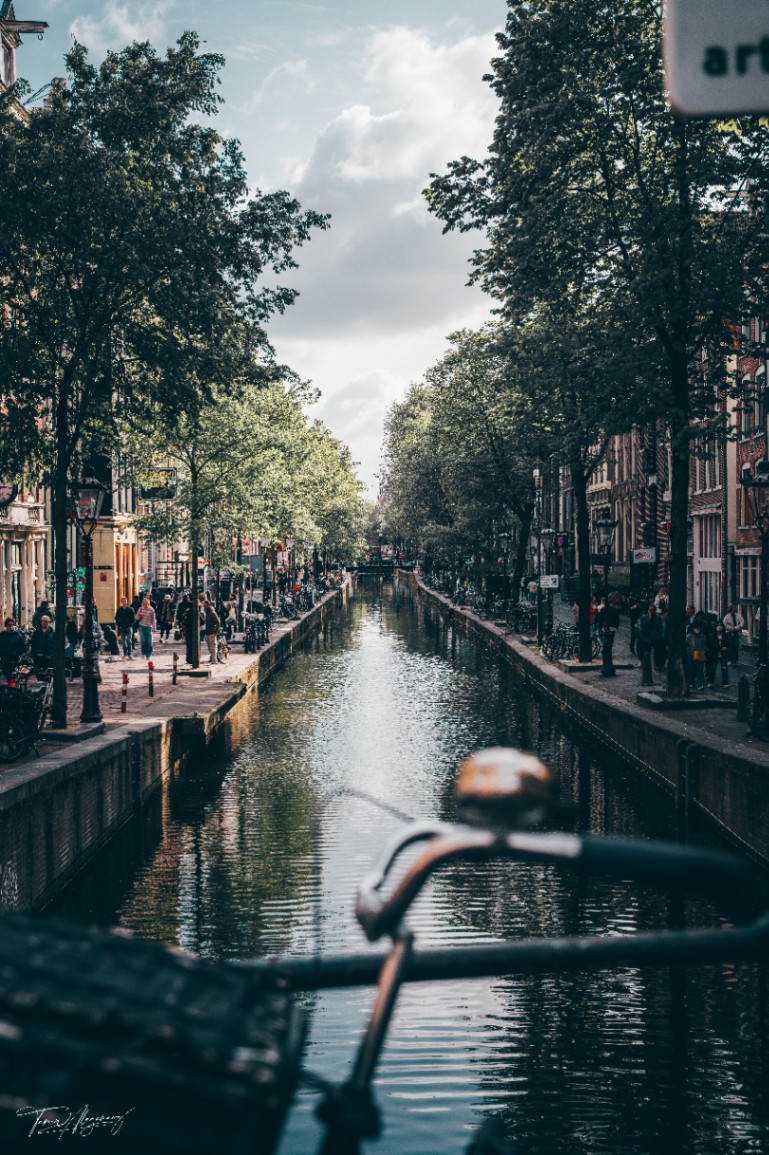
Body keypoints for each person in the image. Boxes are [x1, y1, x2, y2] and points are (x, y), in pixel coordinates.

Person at [687, 622, 707, 690]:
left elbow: (705, 645)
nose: (698, 629)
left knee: (700, 670)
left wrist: (704, 651)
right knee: (691, 670)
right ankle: (691, 683)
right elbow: (687, 646)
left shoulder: (703, 636)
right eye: (696, 628)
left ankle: (700, 684)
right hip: (691, 655)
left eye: (699, 628)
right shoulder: (689, 636)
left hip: (700, 655)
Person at [203, 599, 221, 664]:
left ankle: (214, 660)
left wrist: (215, 631)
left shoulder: (212, 613)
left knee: (213, 646)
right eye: (203, 606)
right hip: (208, 632)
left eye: (205, 605)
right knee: (209, 646)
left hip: (212, 632)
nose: (204, 607)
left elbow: (218, 622)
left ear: (208, 605)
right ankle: (212, 658)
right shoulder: (207, 613)